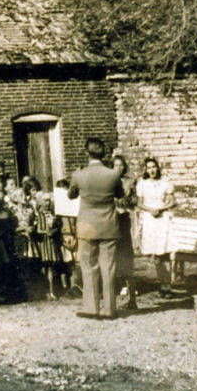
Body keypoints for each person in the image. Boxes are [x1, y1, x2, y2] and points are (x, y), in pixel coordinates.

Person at [68, 137, 122, 320]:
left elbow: (70, 195)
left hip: (87, 225)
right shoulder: (113, 174)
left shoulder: (78, 175)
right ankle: (109, 309)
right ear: (104, 153)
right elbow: (120, 194)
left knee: (89, 266)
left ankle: (92, 308)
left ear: (86, 152)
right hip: (108, 225)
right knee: (108, 267)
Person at [136, 157, 176, 297]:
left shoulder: (164, 183)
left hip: (162, 219)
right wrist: (150, 210)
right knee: (156, 256)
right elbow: (139, 203)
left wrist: (161, 208)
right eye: (149, 168)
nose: (152, 170)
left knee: (164, 253)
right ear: (146, 170)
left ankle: (168, 286)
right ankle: (161, 284)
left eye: (154, 167)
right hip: (150, 220)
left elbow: (173, 201)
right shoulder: (143, 184)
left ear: (157, 168)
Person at [111, 152, 138, 310]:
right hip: (110, 221)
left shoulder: (130, 182)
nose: (118, 168)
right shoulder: (107, 181)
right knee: (112, 259)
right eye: (115, 165)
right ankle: (111, 299)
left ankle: (132, 299)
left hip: (123, 219)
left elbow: (134, 202)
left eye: (121, 165)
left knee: (127, 258)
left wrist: (125, 200)